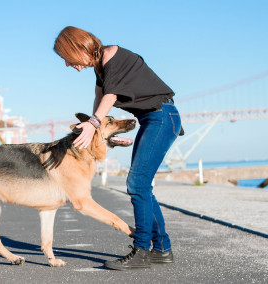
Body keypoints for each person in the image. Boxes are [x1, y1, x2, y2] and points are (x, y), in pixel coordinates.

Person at [54, 26, 182, 270]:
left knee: (137, 184)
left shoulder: (113, 56)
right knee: (141, 185)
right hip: (153, 119)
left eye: (66, 57)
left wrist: (94, 123)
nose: (67, 64)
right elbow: (99, 99)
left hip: (162, 116)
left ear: (78, 47)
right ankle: (162, 249)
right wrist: (91, 124)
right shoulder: (100, 70)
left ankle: (143, 250)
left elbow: (110, 96)